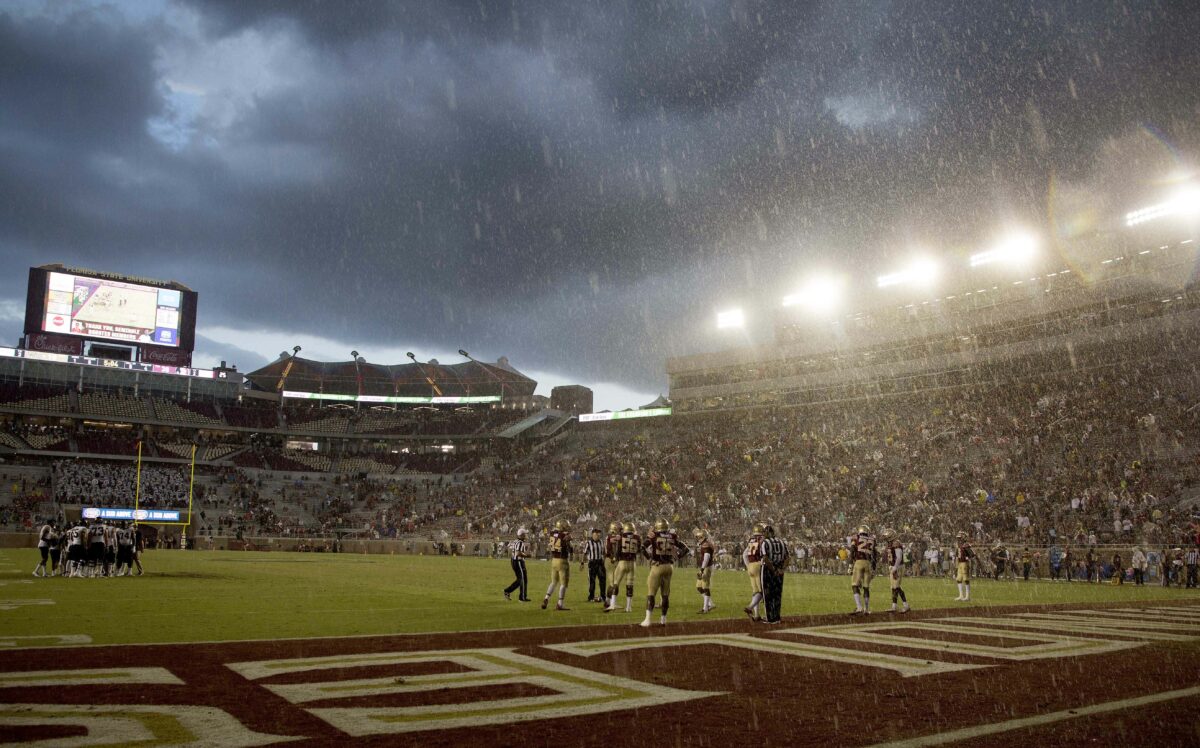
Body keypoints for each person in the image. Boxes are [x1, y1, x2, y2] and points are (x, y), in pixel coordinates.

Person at [639, 518, 690, 627]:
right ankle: (663, 620)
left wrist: (650, 559)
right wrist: (676, 558)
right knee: (665, 594)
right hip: (669, 566)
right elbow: (686, 549)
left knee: (651, 593)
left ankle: (648, 620)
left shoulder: (654, 536)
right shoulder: (672, 536)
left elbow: (642, 547)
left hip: (657, 566)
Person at [605, 522, 639, 613]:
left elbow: (618, 550)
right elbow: (639, 549)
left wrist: (615, 557)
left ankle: (612, 604)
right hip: (632, 563)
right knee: (630, 585)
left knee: (615, 583)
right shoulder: (637, 537)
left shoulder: (621, 537)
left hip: (622, 561)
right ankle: (628, 607)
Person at [759, 525, 790, 624]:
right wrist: (781, 569)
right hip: (779, 569)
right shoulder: (782, 542)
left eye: (764, 532)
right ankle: (777, 616)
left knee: (768, 594)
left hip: (768, 570)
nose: (763, 534)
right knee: (777, 594)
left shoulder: (765, 543)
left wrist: (773, 570)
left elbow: (765, 558)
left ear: (768, 533)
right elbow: (787, 557)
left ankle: (770, 618)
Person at [542, 520, 572, 611]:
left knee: (554, 582)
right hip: (562, 560)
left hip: (554, 560)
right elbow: (570, 549)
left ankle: (546, 598)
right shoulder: (564, 536)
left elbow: (556, 534)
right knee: (563, 584)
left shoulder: (552, 533)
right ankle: (560, 604)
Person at [848, 524, 876, 616]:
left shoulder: (856, 537)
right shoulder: (872, 539)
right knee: (866, 587)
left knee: (855, 585)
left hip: (859, 562)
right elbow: (874, 554)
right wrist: (874, 568)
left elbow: (852, 550)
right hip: (868, 563)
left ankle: (859, 607)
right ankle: (866, 609)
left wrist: (850, 565)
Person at [742, 524, 766, 621]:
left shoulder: (751, 540)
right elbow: (764, 554)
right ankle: (750, 607)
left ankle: (757, 615)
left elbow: (744, 554)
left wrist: (748, 566)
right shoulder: (762, 539)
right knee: (763, 591)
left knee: (755, 591)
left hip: (751, 566)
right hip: (758, 565)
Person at [882, 529, 909, 613]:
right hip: (894, 566)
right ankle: (895, 606)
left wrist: (895, 567)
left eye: (887, 536)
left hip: (898, 566)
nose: (885, 537)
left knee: (896, 587)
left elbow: (899, 557)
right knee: (894, 587)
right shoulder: (890, 543)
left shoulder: (896, 543)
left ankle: (905, 605)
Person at [503, 528, 530, 601]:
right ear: (522, 535)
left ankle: (522, 597)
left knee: (523, 579)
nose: (526, 535)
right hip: (518, 561)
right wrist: (526, 555)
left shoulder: (516, 541)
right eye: (525, 534)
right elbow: (518, 553)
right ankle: (507, 591)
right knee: (521, 580)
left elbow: (510, 547)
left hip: (514, 560)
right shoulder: (520, 542)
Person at [693, 527, 717, 613]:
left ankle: (705, 608)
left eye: (698, 537)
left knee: (705, 587)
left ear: (702, 537)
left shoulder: (706, 545)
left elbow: (707, 558)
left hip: (707, 568)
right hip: (705, 567)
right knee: (699, 587)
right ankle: (711, 604)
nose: (698, 539)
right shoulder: (705, 544)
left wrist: (702, 569)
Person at [581, 527, 606, 602]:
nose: (598, 535)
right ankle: (591, 596)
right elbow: (584, 553)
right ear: (592, 535)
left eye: (599, 534)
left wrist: (604, 560)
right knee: (592, 580)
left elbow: (604, 552)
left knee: (602, 580)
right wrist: (582, 562)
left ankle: (603, 596)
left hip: (600, 562)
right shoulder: (589, 543)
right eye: (596, 534)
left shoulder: (601, 542)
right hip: (592, 563)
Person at [954, 531, 974, 601]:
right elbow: (957, 555)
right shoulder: (959, 545)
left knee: (966, 579)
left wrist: (967, 558)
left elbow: (972, 555)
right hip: (960, 563)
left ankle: (967, 596)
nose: (958, 539)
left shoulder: (966, 545)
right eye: (958, 538)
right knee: (958, 579)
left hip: (964, 563)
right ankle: (961, 595)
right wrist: (956, 563)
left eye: (960, 538)